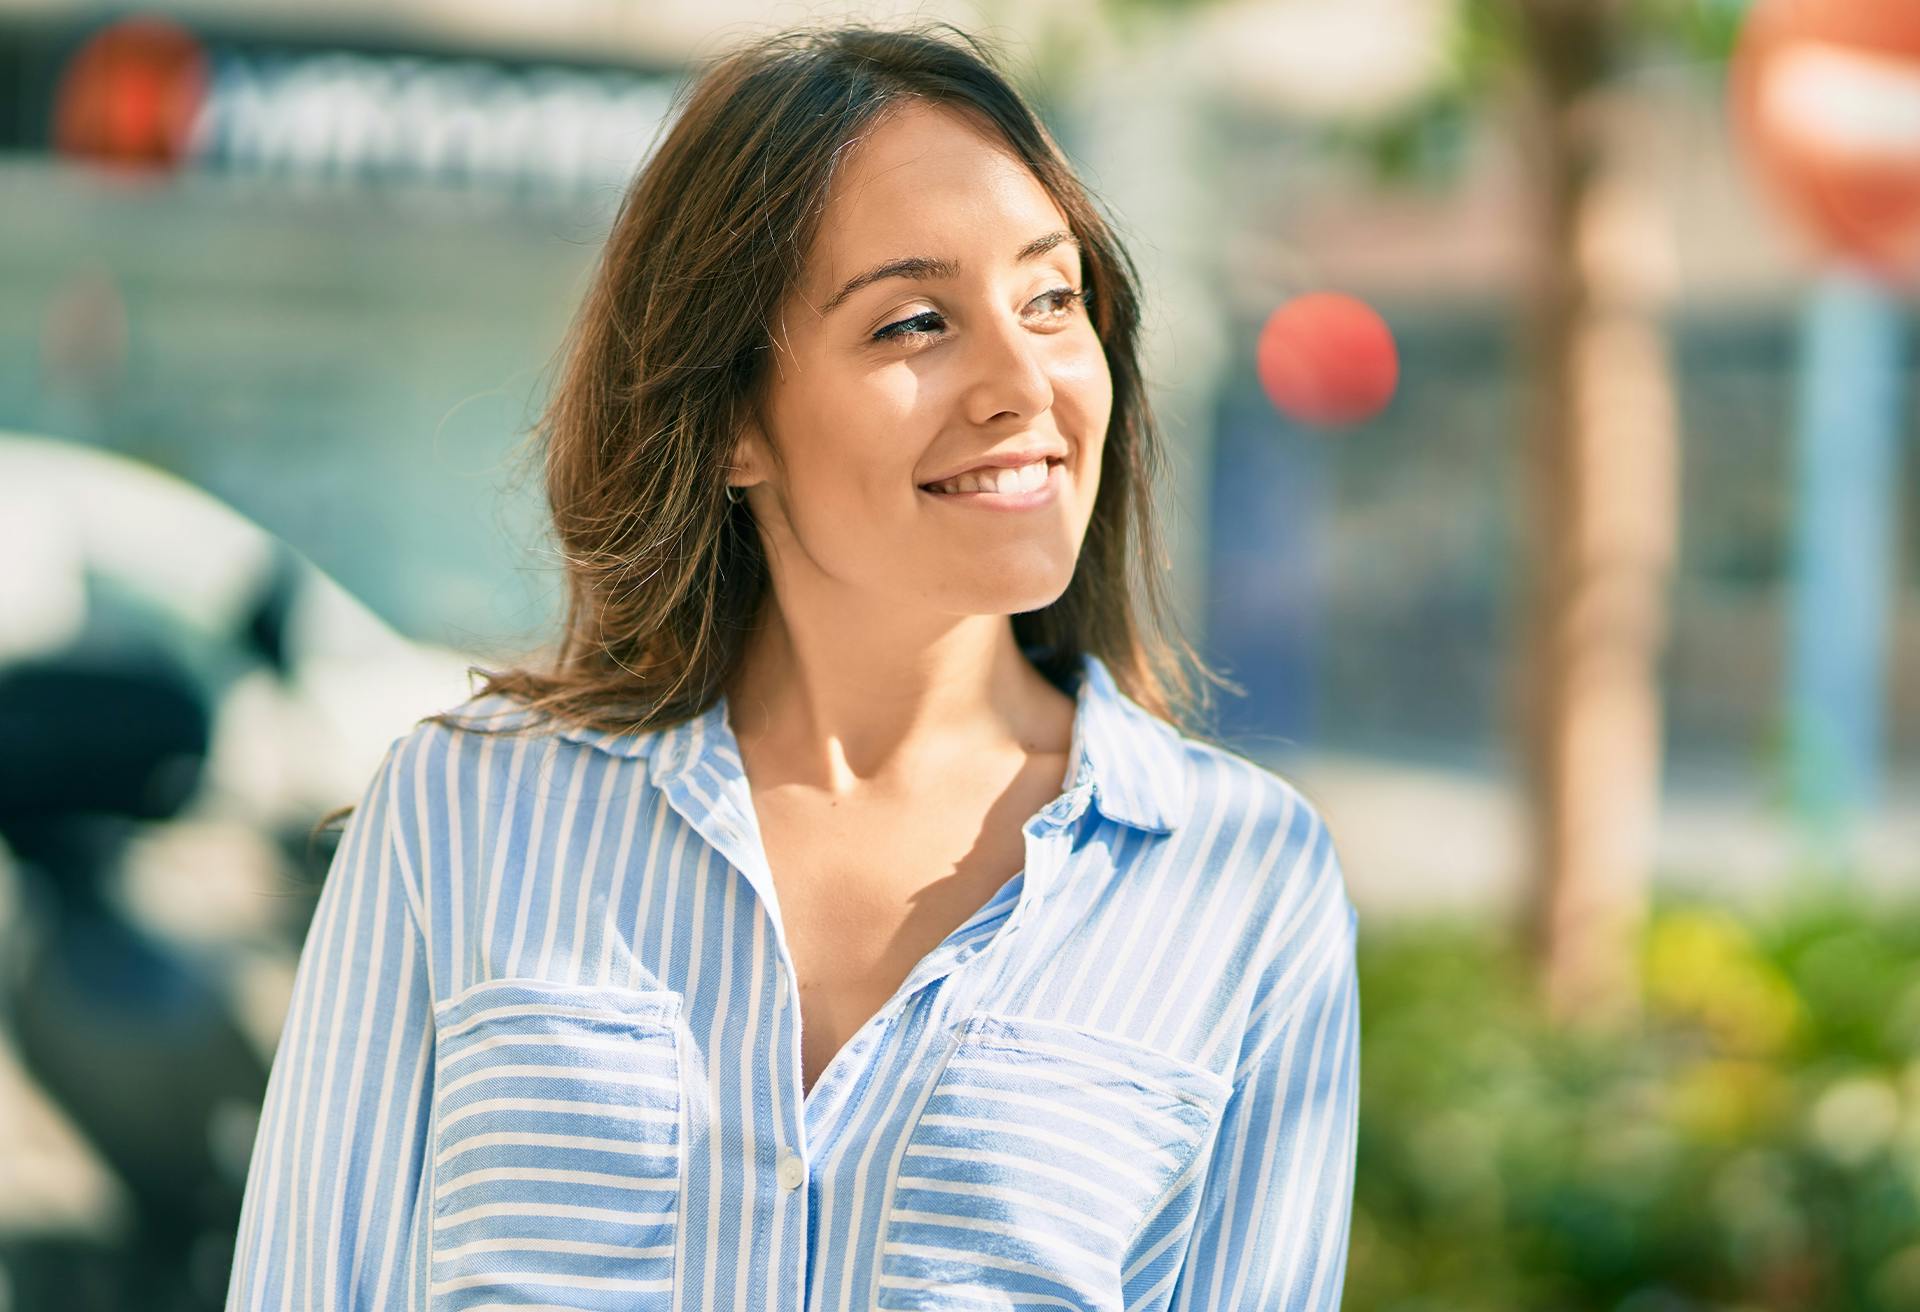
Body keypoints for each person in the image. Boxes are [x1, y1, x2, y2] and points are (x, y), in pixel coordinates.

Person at [225, 21, 1360, 1312]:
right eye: (915, 323)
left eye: (1052, 299)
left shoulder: (1245, 884)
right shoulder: (462, 814)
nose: (1021, 382)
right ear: (727, 426)